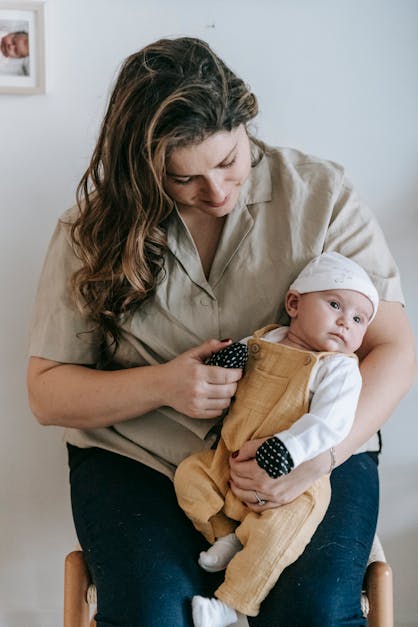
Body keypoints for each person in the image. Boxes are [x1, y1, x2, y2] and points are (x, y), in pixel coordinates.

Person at [27, 37, 416, 627]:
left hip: (314, 448)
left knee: (314, 613)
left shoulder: (323, 195)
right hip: (146, 460)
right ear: (142, 168)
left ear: (245, 125)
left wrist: (321, 456)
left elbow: (394, 346)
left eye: (229, 161)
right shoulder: (91, 229)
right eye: (183, 180)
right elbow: (46, 392)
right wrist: (162, 385)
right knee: (154, 617)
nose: (216, 193)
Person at [174, 252, 379, 627]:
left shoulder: (337, 368)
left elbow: (330, 423)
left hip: (295, 479)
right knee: (190, 476)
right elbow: (240, 374)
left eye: (358, 319)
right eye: (334, 305)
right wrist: (229, 362)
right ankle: (229, 538)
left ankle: (232, 604)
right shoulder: (266, 339)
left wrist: (288, 448)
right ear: (294, 304)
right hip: (229, 459)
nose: (344, 323)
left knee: (282, 535)